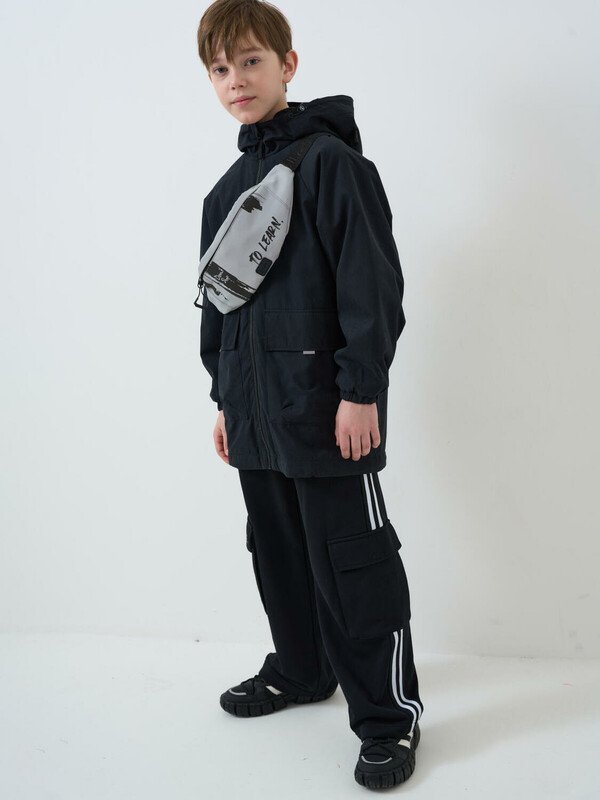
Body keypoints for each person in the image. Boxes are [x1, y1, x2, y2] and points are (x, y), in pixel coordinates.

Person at [196, 0, 424, 790]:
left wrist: (361, 391)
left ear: (288, 64)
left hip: (329, 414)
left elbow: (372, 288)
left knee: (352, 562)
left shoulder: (331, 165)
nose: (236, 80)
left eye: (251, 61)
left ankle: (389, 719)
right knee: (278, 554)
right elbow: (220, 309)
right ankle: (302, 670)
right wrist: (226, 401)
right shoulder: (225, 192)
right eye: (220, 69)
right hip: (257, 416)